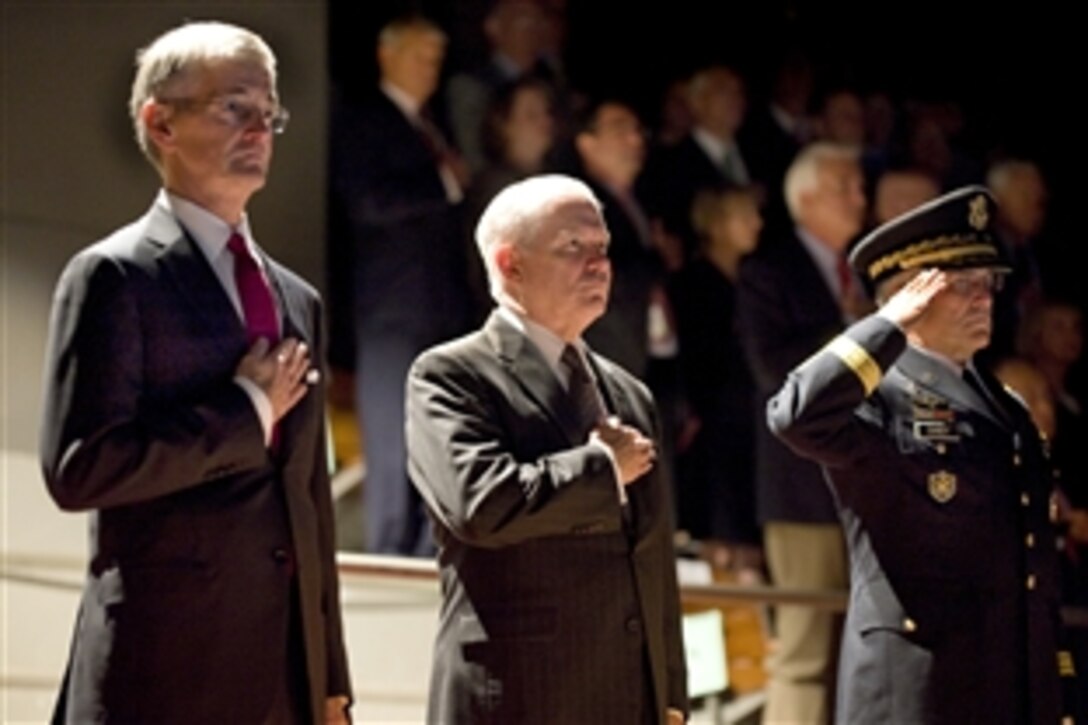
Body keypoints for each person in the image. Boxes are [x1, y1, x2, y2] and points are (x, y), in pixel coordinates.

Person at [39, 21, 352, 724]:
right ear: (161, 122)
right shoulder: (113, 275)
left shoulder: (297, 299)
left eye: (268, 113)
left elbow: (309, 505)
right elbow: (80, 466)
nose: (259, 129)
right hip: (164, 667)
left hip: (285, 677)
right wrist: (245, 410)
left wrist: (330, 678)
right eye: (234, 107)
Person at [766, 186, 1079, 722]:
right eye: (961, 285)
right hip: (919, 680)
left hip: (1006, 676)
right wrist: (885, 326)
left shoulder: (1005, 404)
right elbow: (794, 416)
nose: (984, 299)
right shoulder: (878, 392)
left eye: (988, 283)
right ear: (908, 295)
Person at [405, 174, 688, 724]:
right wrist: (601, 468)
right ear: (511, 264)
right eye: (573, 247)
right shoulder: (450, 374)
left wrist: (670, 692)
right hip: (518, 696)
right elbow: (481, 505)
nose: (599, 263)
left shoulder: (629, 391)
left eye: (602, 247)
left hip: (627, 697)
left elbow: (653, 556)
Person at [329, 13, 473, 555]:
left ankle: (425, 550)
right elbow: (368, 202)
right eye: (420, 56)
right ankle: (391, 551)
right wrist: (442, 182)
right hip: (392, 310)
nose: (431, 69)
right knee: (393, 442)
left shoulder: (431, 124)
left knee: (436, 439)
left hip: (440, 309)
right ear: (387, 55)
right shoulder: (364, 119)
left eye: (437, 59)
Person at [735, 141, 867, 724]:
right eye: (844, 187)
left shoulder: (868, 272)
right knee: (807, 648)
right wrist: (853, 332)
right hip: (801, 489)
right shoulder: (768, 269)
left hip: (865, 485)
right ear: (806, 197)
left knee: (858, 649)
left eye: (859, 186)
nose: (859, 198)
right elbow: (771, 367)